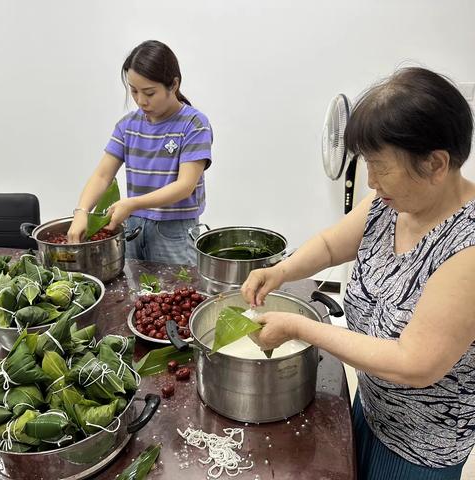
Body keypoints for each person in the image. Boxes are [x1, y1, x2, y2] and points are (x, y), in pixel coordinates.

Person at [241, 67, 475, 480]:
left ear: (436, 164)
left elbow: (414, 363)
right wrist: (280, 270)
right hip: (370, 407)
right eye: (368, 163)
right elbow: (333, 245)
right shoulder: (391, 204)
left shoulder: (467, 249)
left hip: (419, 448)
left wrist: (300, 327)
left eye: (381, 166)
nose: (370, 180)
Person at [68, 40, 213, 265]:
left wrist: (133, 203)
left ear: (173, 84)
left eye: (149, 92)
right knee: (134, 293)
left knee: (176, 293)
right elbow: (102, 175)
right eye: (133, 91)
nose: (140, 100)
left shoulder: (194, 124)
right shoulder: (127, 125)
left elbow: (185, 186)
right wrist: (81, 211)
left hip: (175, 232)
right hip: (133, 227)